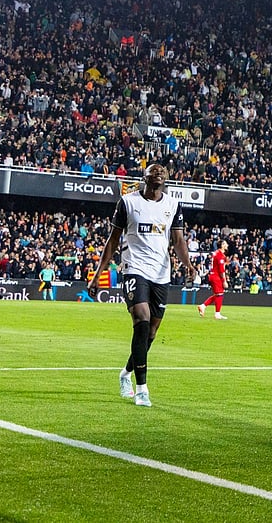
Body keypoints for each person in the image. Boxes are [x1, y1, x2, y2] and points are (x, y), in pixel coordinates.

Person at [90, 164, 197, 407]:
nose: (158, 172)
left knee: (151, 332)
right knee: (141, 319)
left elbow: (178, 240)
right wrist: (98, 275)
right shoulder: (128, 202)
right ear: (145, 177)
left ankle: (125, 373)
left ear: (166, 178)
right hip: (134, 268)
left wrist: (188, 265)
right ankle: (142, 389)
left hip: (161, 273)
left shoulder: (173, 205)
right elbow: (113, 240)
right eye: (153, 170)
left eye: (162, 171)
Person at [199, 240, 229, 319]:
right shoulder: (220, 255)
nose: (227, 245)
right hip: (216, 276)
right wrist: (224, 281)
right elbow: (221, 270)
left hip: (212, 275)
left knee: (217, 294)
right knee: (220, 294)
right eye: (225, 244)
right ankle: (217, 314)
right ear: (222, 245)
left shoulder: (216, 253)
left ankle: (203, 306)